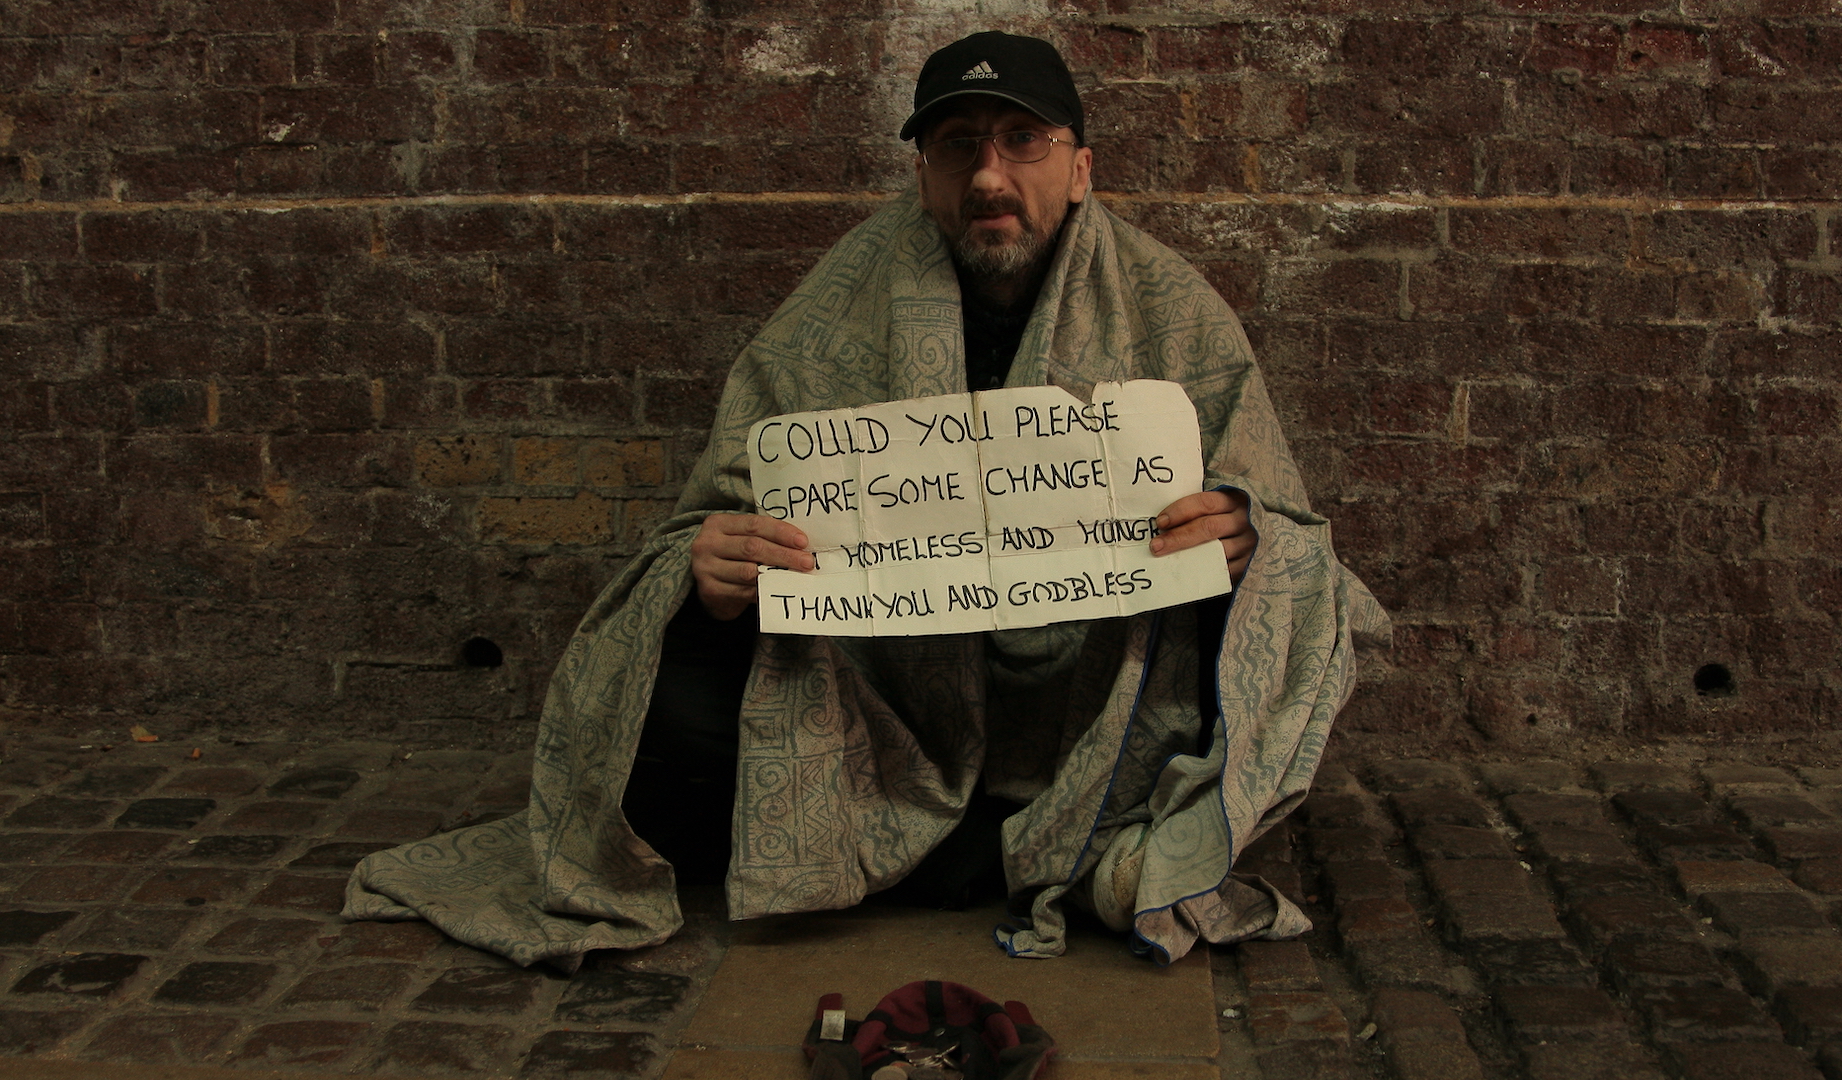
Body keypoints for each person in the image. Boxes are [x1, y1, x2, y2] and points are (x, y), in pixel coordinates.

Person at [344, 31, 1385, 971]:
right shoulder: (842, 303)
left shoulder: (1171, 310)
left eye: (1021, 140)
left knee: (1301, 621)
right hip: (892, 700)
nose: (988, 173)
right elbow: (710, 516)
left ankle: (966, 845)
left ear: (1079, 170)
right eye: (956, 145)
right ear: (924, 174)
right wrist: (712, 571)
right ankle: (1043, 846)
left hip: (1086, 695)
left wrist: (1243, 533)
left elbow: (1288, 527)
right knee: (652, 719)